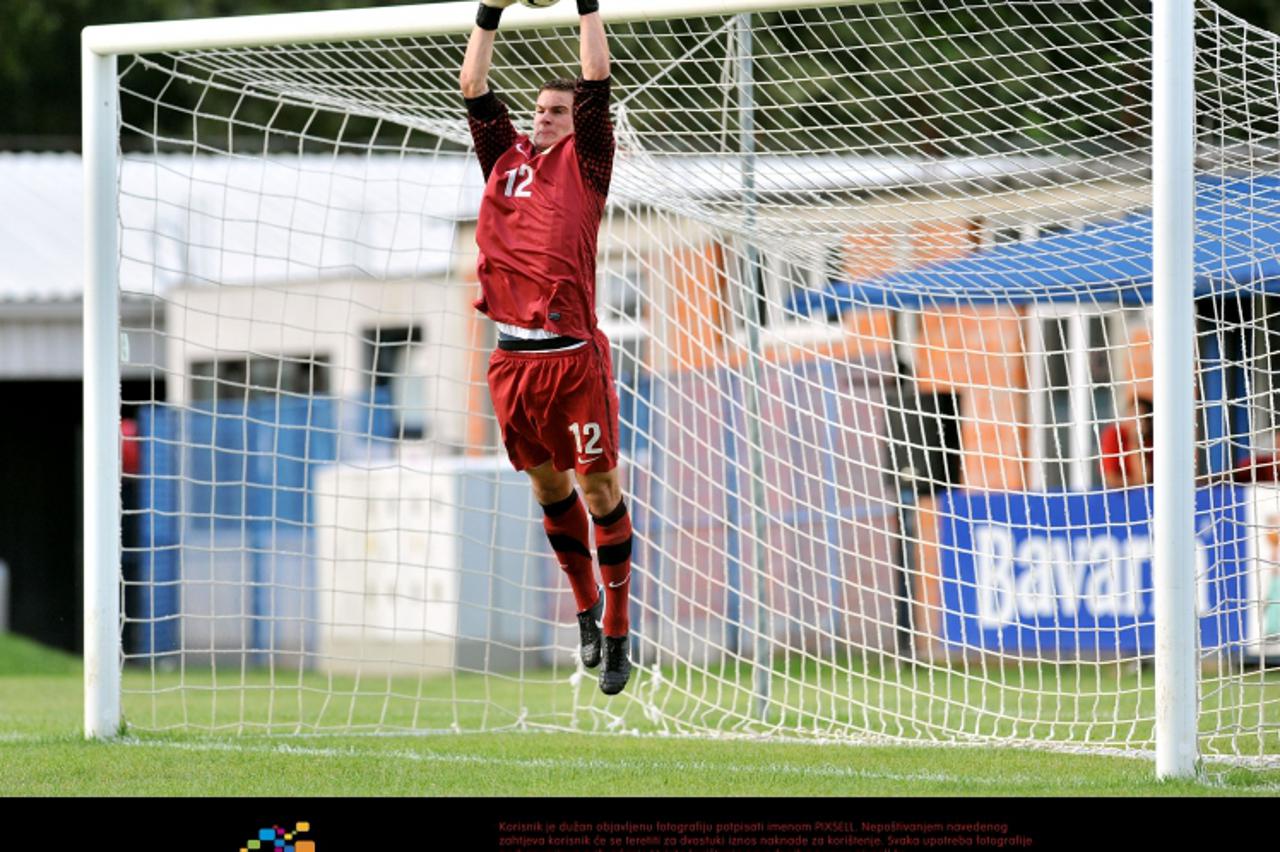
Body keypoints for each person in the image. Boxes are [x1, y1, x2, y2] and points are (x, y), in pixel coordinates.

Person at [460, 0, 632, 694]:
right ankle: (585, 607)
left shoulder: (588, 166)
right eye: (539, 110)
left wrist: (586, 3)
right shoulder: (503, 161)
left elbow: (596, 74)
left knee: (597, 487)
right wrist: (491, 10)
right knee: (545, 484)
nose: (543, 117)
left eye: (556, 111)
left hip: (570, 355)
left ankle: (618, 630)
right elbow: (473, 87)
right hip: (511, 358)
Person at [1099, 395, 1153, 489]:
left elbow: (1145, 478)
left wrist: (1136, 443)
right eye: (1135, 417)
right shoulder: (1114, 435)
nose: (1140, 423)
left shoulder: (1151, 440)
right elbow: (1111, 479)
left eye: (1144, 419)